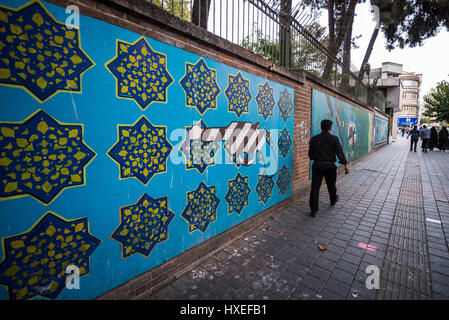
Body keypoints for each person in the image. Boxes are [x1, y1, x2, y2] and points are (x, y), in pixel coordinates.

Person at [308, 119, 350, 217]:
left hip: (317, 165)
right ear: (330, 128)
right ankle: (333, 200)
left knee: (315, 188)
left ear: (321, 127)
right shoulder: (334, 139)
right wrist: (346, 165)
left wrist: (318, 158)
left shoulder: (314, 139)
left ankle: (313, 210)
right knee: (331, 185)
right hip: (329, 166)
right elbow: (339, 153)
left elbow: (311, 155)